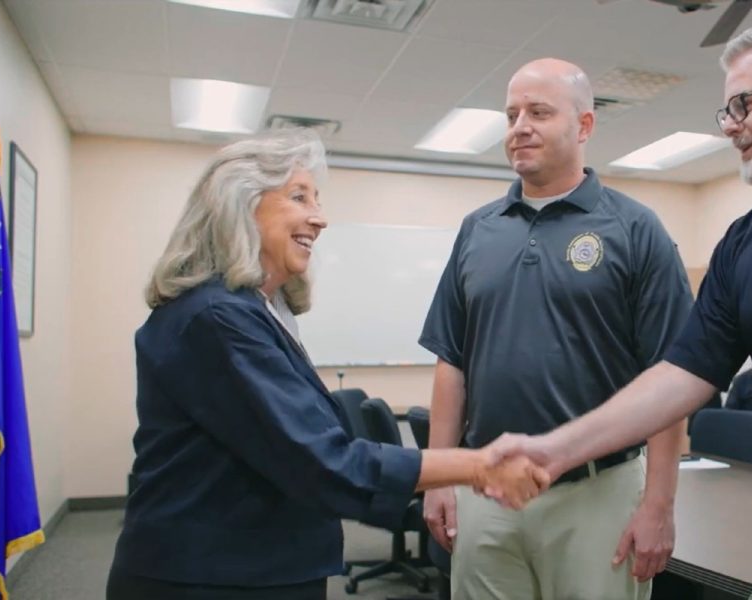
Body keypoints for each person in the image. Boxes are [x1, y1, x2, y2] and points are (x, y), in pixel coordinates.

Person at [488, 17, 752, 600]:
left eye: (744, 104)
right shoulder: (748, 241)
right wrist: (555, 448)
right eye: (726, 112)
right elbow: (682, 373)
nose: (731, 128)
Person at [106, 129, 550, 600]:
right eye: (299, 197)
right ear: (241, 205)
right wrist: (476, 465)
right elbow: (320, 461)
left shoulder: (254, 310)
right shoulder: (218, 318)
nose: (319, 219)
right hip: (212, 577)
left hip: (246, 565)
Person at [419, 58, 693, 600]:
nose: (520, 126)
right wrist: (440, 478)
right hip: (487, 488)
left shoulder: (635, 229)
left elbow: (674, 376)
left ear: (584, 126)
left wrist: (658, 503)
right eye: (512, 113)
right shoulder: (478, 230)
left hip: (597, 495)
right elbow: (452, 360)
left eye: (539, 112)